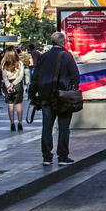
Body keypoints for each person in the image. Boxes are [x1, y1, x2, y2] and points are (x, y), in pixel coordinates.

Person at [28, 32, 81, 166]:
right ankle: (62, 156)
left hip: (45, 97)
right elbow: (75, 76)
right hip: (63, 97)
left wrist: (32, 94)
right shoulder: (67, 56)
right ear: (63, 42)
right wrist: (72, 90)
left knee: (47, 127)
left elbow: (35, 77)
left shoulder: (43, 57)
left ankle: (46, 157)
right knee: (63, 127)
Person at [1, 45, 26, 131]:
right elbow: (21, 76)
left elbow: (4, 77)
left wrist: (8, 85)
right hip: (18, 84)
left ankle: (12, 123)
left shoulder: (4, 64)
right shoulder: (19, 63)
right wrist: (14, 83)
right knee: (18, 103)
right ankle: (20, 123)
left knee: (10, 104)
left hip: (8, 84)